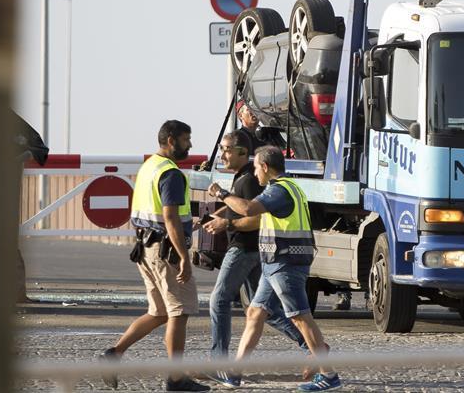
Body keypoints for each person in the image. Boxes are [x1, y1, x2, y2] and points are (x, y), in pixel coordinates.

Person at [208, 146, 341, 392]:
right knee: (255, 313)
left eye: (256, 168)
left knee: (300, 316)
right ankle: (234, 373)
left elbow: (248, 209)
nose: (255, 173)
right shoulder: (286, 187)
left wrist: (221, 193)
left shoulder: (279, 190)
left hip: (286, 263)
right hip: (275, 263)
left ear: (265, 167)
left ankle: (329, 375)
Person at [98, 120, 209, 391]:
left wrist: (186, 225)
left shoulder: (149, 167)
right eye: (186, 139)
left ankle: (114, 354)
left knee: (159, 312)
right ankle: (176, 378)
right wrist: (184, 257)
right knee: (179, 311)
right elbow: (170, 217)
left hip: (146, 249)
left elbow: (156, 214)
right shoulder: (171, 173)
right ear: (171, 140)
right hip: (166, 252)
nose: (190, 145)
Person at [202, 130, 309, 387]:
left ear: (243, 152)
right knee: (260, 311)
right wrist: (220, 215)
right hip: (265, 254)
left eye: (227, 149)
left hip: (255, 252)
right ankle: (310, 348)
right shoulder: (247, 179)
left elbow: (252, 214)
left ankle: (219, 364)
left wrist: (226, 218)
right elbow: (242, 207)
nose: (222, 154)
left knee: (220, 300)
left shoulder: (253, 181)